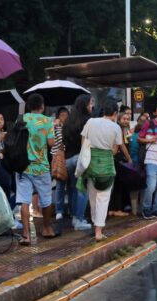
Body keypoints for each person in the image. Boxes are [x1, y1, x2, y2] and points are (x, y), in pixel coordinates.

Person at [77, 98, 123, 241]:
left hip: (91, 164)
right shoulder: (116, 127)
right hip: (107, 166)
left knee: (93, 198)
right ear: (115, 113)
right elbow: (115, 150)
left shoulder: (91, 122)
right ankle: (98, 231)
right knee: (103, 198)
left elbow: (83, 142)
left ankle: (95, 225)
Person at [17, 94, 56, 245]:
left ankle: (26, 234)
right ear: (42, 106)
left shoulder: (21, 119)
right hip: (41, 166)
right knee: (46, 199)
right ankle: (46, 228)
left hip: (23, 166)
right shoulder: (47, 121)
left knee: (24, 200)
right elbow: (52, 143)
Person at [60, 95, 94, 230]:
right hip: (81, 158)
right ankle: (79, 220)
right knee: (82, 190)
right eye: (90, 104)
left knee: (73, 189)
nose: (91, 106)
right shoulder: (88, 121)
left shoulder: (68, 121)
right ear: (85, 105)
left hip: (68, 159)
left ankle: (75, 218)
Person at [108, 111, 133, 217]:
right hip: (118, 160)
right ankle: (116, 209)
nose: (126, 121)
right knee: (117, 185)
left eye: (128, 119)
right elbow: (121, 145)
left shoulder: (126, 131)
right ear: (118, 120)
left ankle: (114, 208)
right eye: (124, 119)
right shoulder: (117, 129)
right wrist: (129, 159)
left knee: (118, 185)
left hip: (120, 160)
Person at [52, 107, 69, 219]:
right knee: (59, 185)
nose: (64, 117)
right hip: (58, 157)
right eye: (62, 115)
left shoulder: (71, 126)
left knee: (71, 185)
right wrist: (54, 125)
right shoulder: (55, 126)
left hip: (69, 156)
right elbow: (53, 142)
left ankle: (69, 209)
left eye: (66, 114)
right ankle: (59, 210)